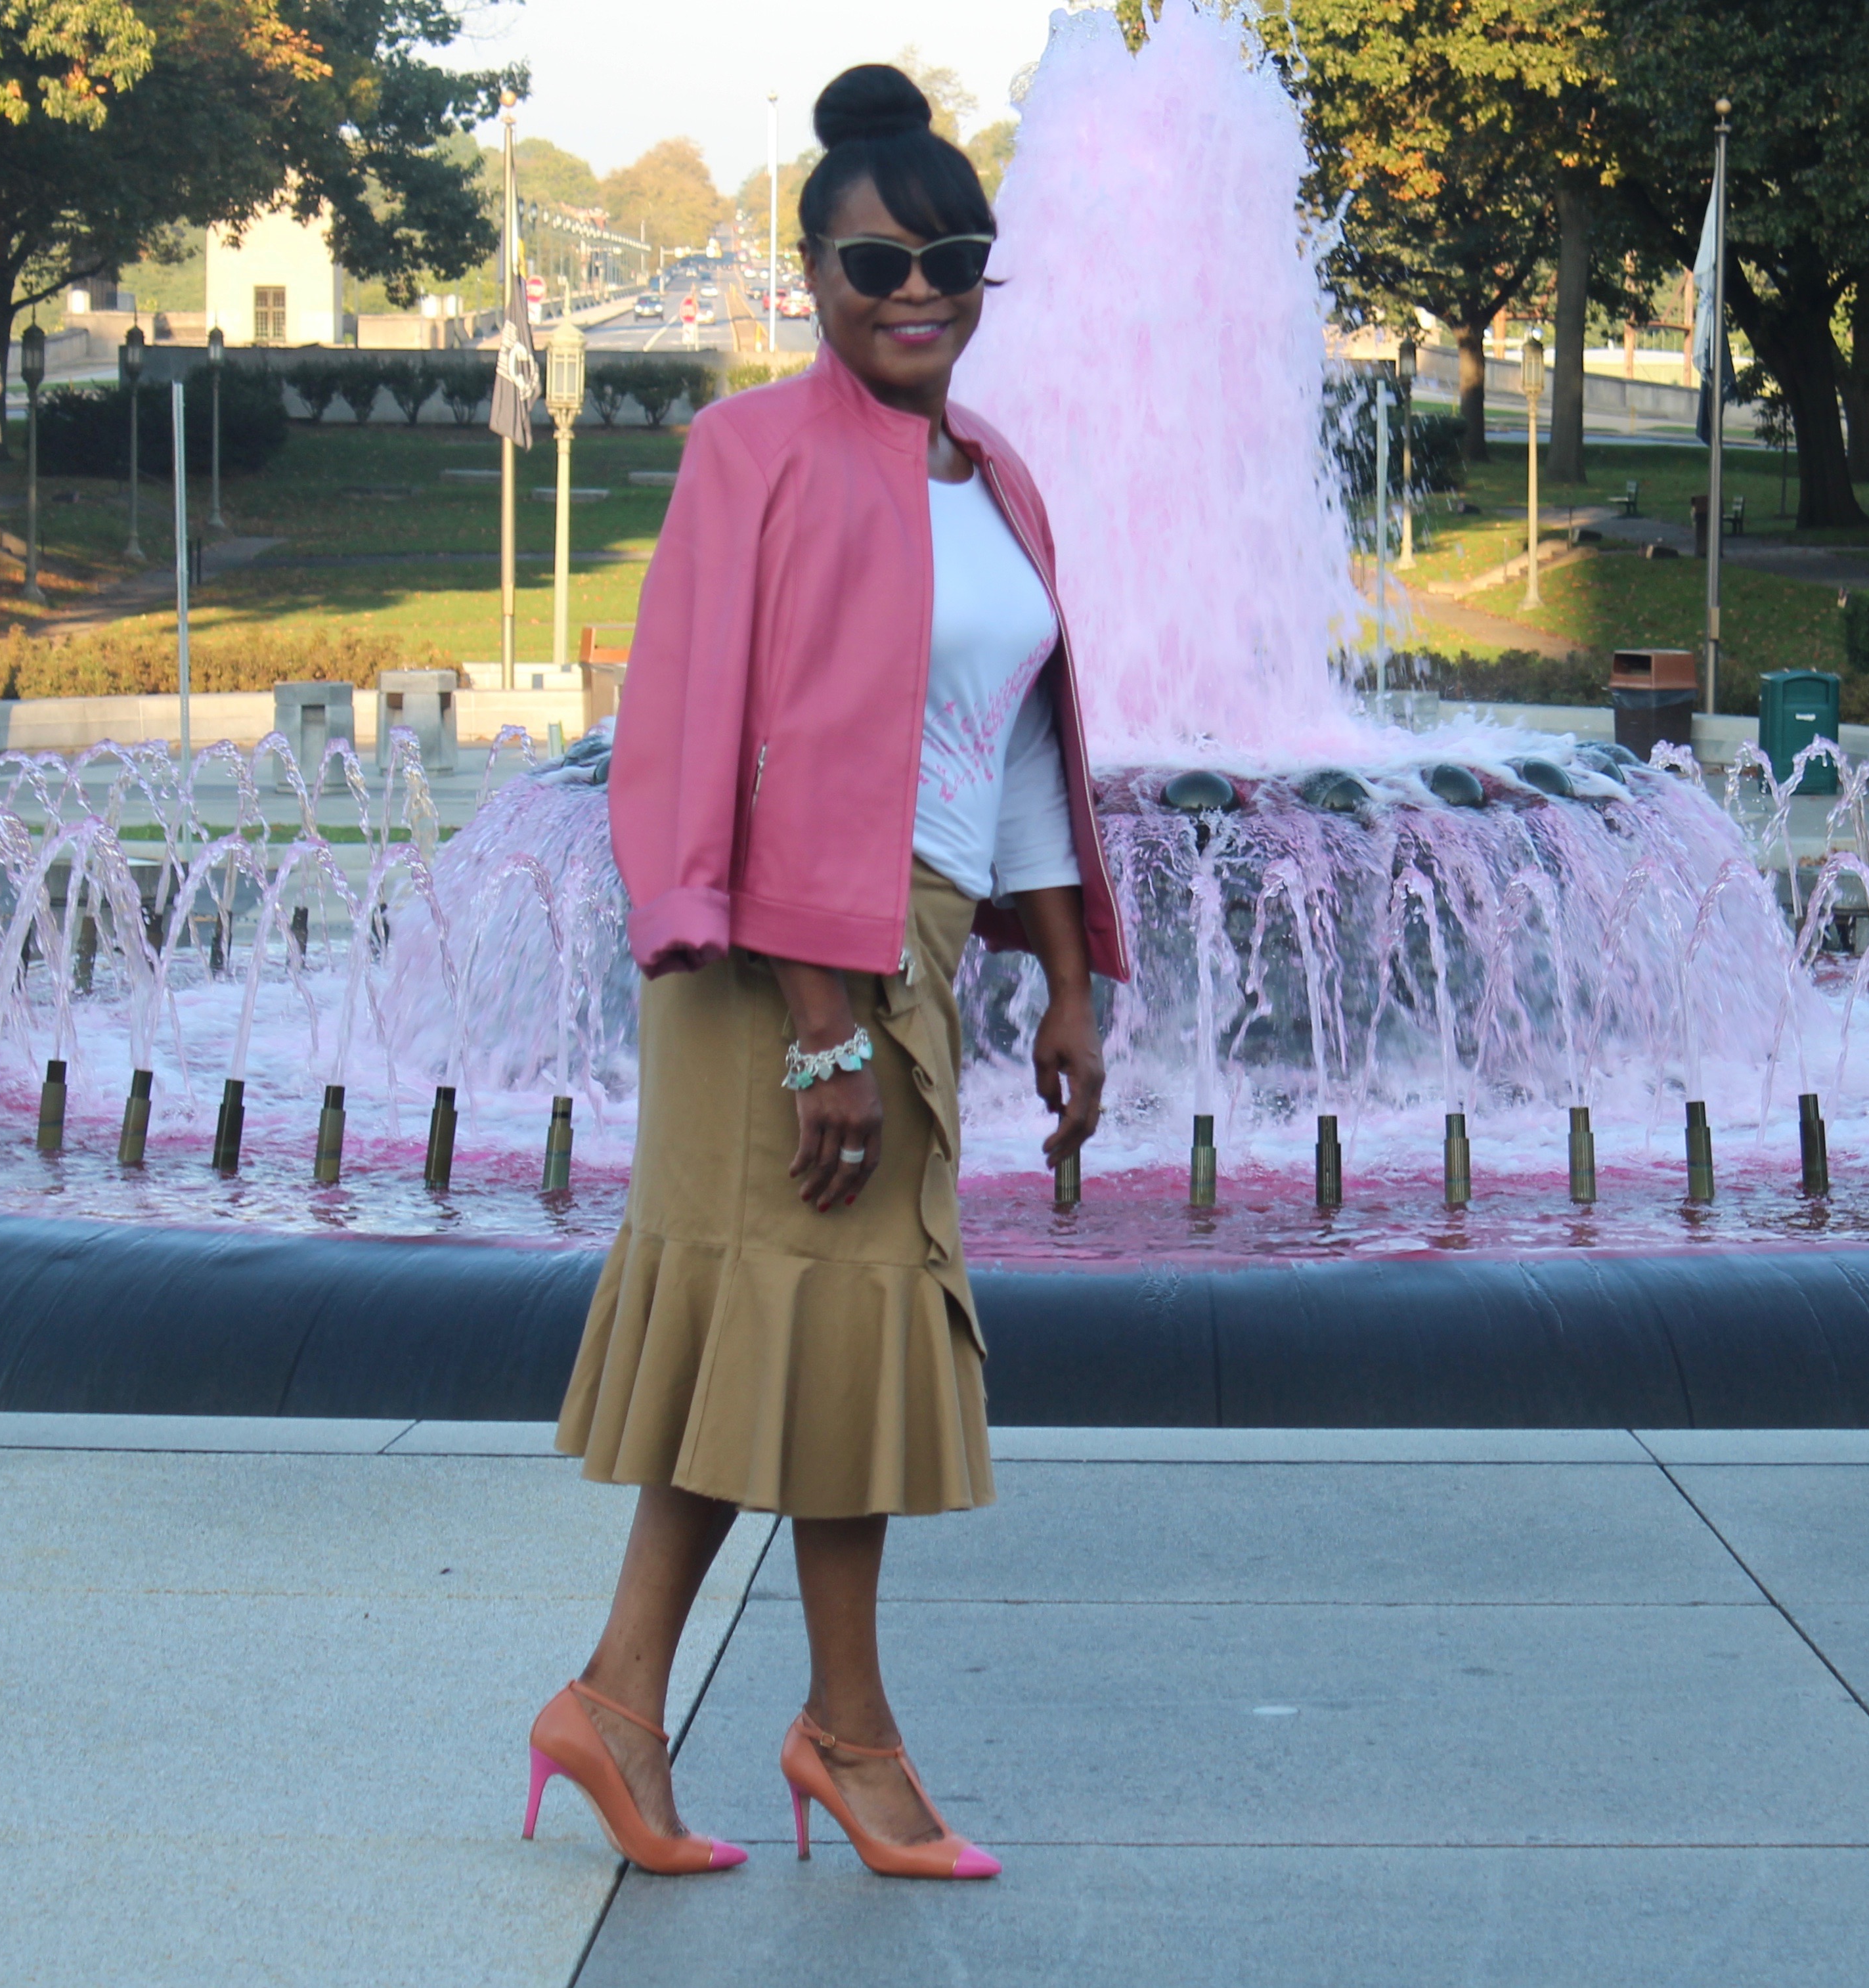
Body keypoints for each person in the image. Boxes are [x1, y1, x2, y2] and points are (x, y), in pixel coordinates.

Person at [521, 62, 1126, 1884]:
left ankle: (630, 1704)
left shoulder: (995, 477)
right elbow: (722, 742)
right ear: (814, 274)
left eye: (955, 255)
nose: (917, 289)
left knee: (796, 1325)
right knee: (817, 1315)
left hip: (915, 948)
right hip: (772, 982)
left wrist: (1073, 979)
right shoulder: (752, 457)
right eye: (878, 265)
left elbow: (1013, 751)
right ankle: (832, 1734)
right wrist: (816, 1034)